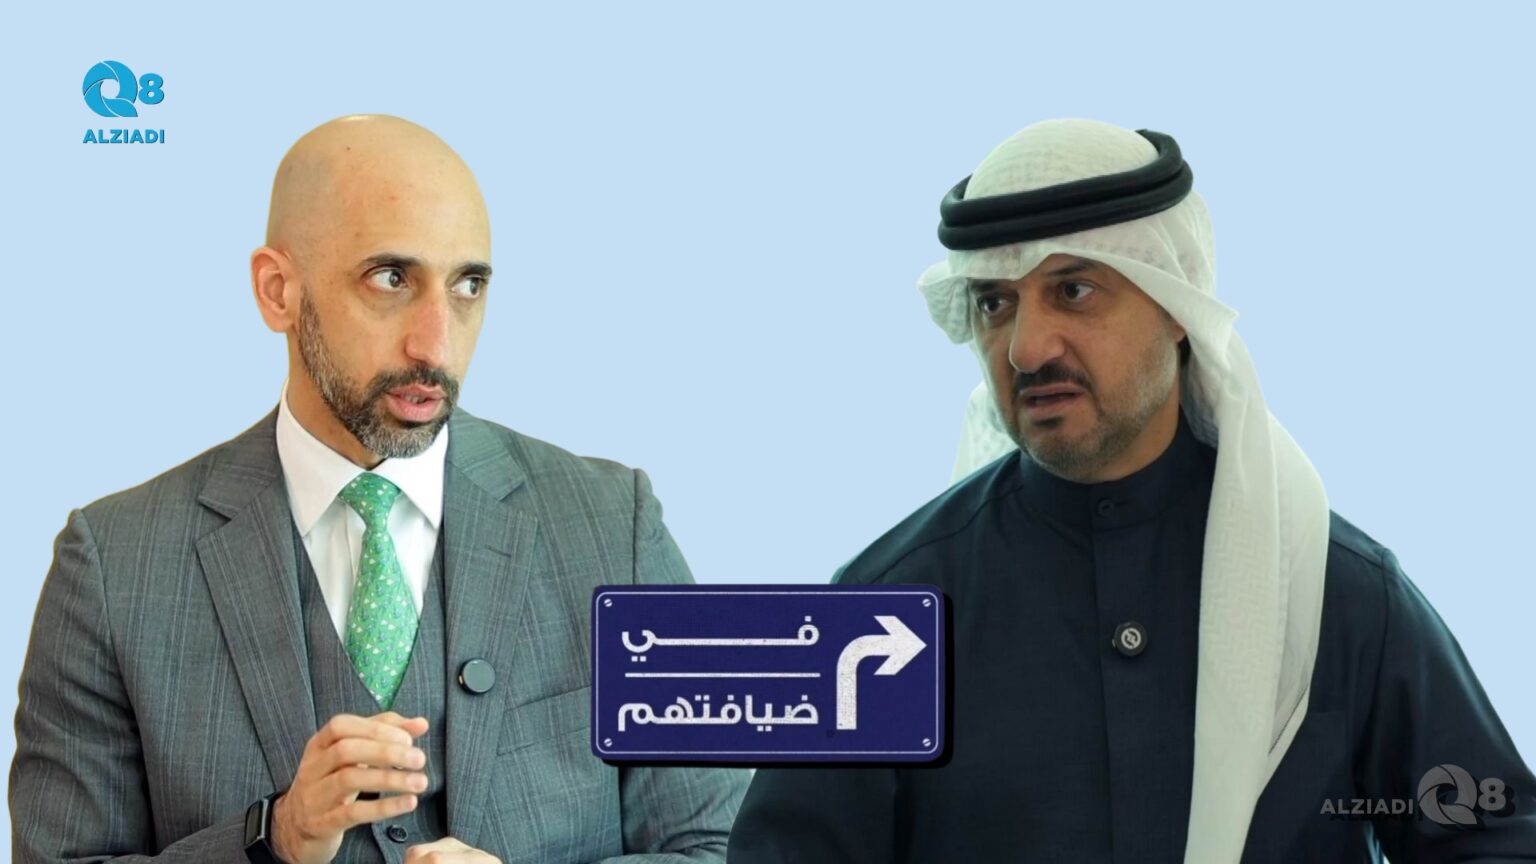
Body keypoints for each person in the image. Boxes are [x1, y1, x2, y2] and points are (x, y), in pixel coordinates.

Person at [728, 119, 1536, 862]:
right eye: (995, 304)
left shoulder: (1335, 589)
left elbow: (1492, 840)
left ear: (1177, 304)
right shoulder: (881, 615)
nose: (1026, 348)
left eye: (1074, 290)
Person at [9, 115, 747, 864]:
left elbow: (722, 848)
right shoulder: (113, 566)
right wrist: (274, 837)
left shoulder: (614, 526)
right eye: (391, 279)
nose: (436, 344)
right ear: (277, 291)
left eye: (468, 286)